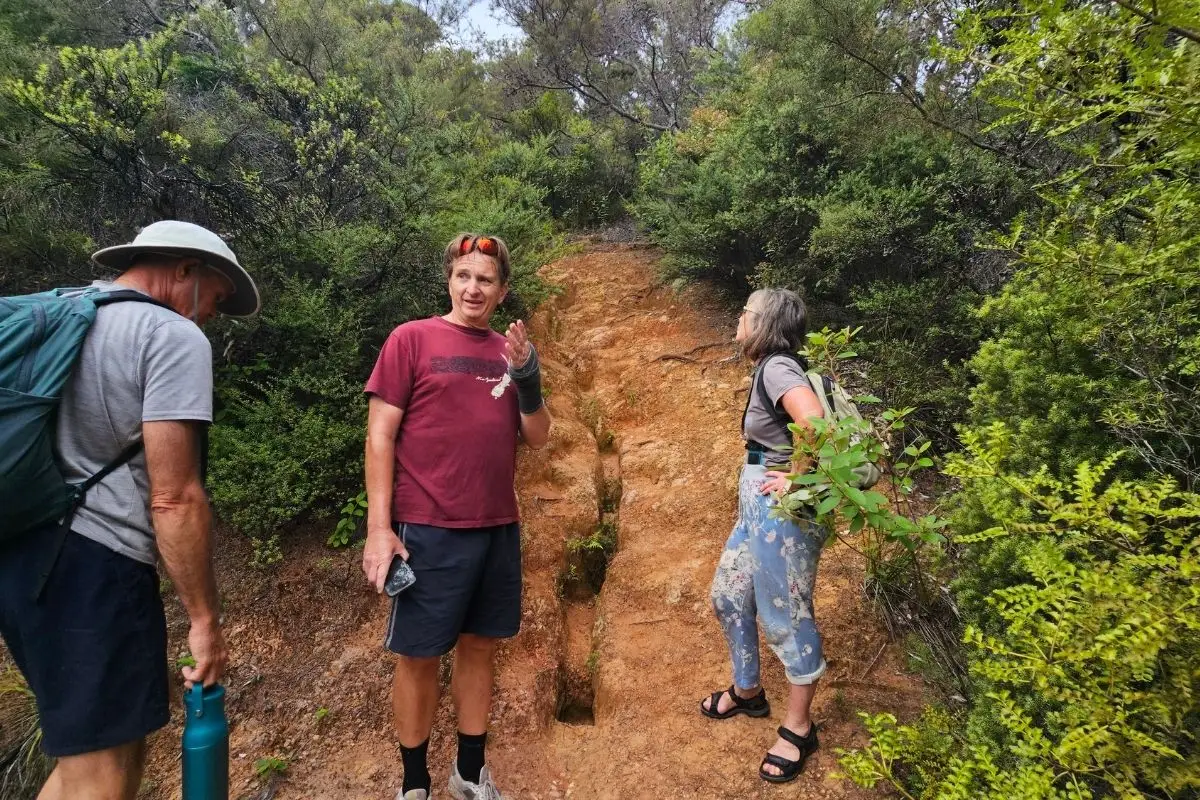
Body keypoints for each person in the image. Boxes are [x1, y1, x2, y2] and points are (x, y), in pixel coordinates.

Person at [0, 220, 260, 800]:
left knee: (84, 761)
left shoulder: (66, 309)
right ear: (186, 270)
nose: (211, 315)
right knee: (105, 775)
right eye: (216, 297)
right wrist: (203, 621)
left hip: (21, 557)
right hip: (93, 566)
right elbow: (174, 496)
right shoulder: (169, 336)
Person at [362, 233, 551, 800]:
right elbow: (379, 435)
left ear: (502, 290)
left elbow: (539, 438)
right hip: (427, 529)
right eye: (464, 275)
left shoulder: (507, 351)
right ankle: (413, 784)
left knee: (479, 648)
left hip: (497, 525)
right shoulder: (411, 339)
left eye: (485, 279)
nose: (473, 287)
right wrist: (379, 529)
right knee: (418, 657)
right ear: (449, 279)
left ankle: (469, 772)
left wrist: (529, 376)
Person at [699, 287, 828, 784]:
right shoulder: (769, 368)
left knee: (786, 613)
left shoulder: (777, 367)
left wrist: (794, 478)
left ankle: (799, 728)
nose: (739, 317)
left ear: (766, 324)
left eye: (747, 312)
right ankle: (748, 691)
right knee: (730, 596)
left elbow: (813, 424)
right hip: (759, 501)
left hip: (781, 508)